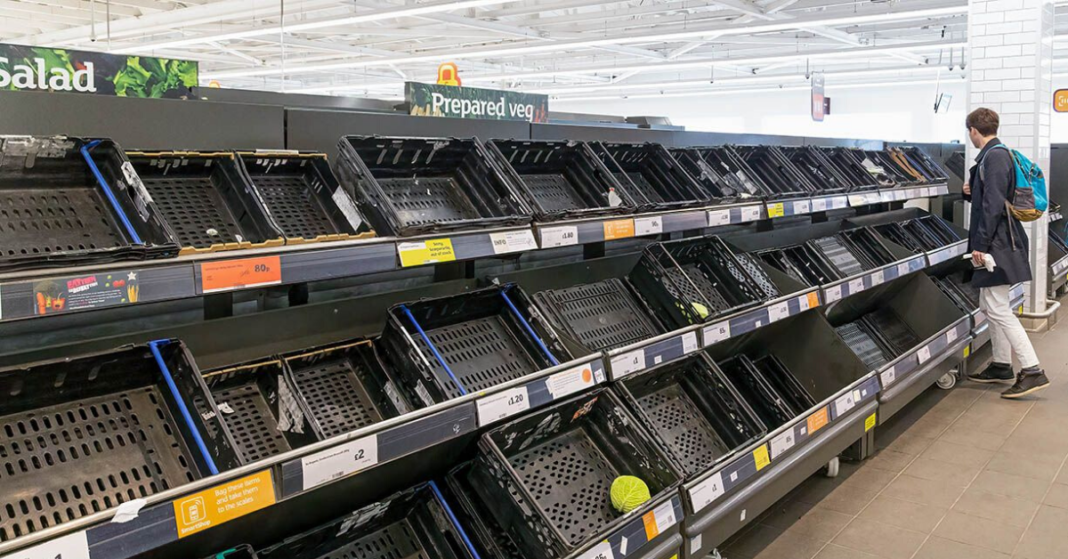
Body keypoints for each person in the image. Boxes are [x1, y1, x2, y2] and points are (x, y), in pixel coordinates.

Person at [962, 107, 1049, 398]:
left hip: (998, 244)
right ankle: (1001, 364)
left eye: (970, 132)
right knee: (990, 304)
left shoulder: (996, 156)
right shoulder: (995, 155)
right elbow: (991, 195)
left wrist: (980, 246)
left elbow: (994, 205)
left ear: (975, 130)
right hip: (998, 241)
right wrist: (970, 189)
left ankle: (1033, 370)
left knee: (997, 307)